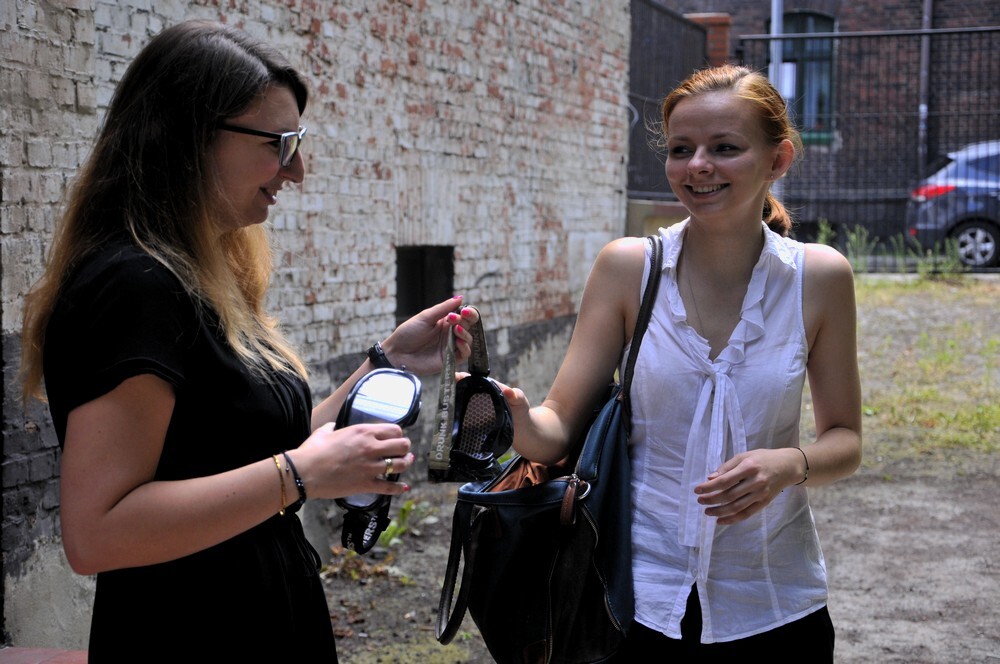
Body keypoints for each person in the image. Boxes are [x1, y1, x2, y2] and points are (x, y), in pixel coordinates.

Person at [19, 20, 478, 662]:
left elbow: (250, 448)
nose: (297, 169)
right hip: (190, 633)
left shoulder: (199, 273)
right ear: (192, 138)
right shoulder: (134, 287)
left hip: (258, 616)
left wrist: (388, 360)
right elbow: (96, 533)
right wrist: (300, 476)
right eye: (280, 143)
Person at [499, 64, 862, 660]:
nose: (698, 165)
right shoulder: (627, 269)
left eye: (725, 148)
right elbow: (558, 424)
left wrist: (787, 464)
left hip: (773, 599)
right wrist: (515, 414)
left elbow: (845, 439)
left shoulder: (819, 278)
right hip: (636, 598)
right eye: (680, 149)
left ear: (778, 159)